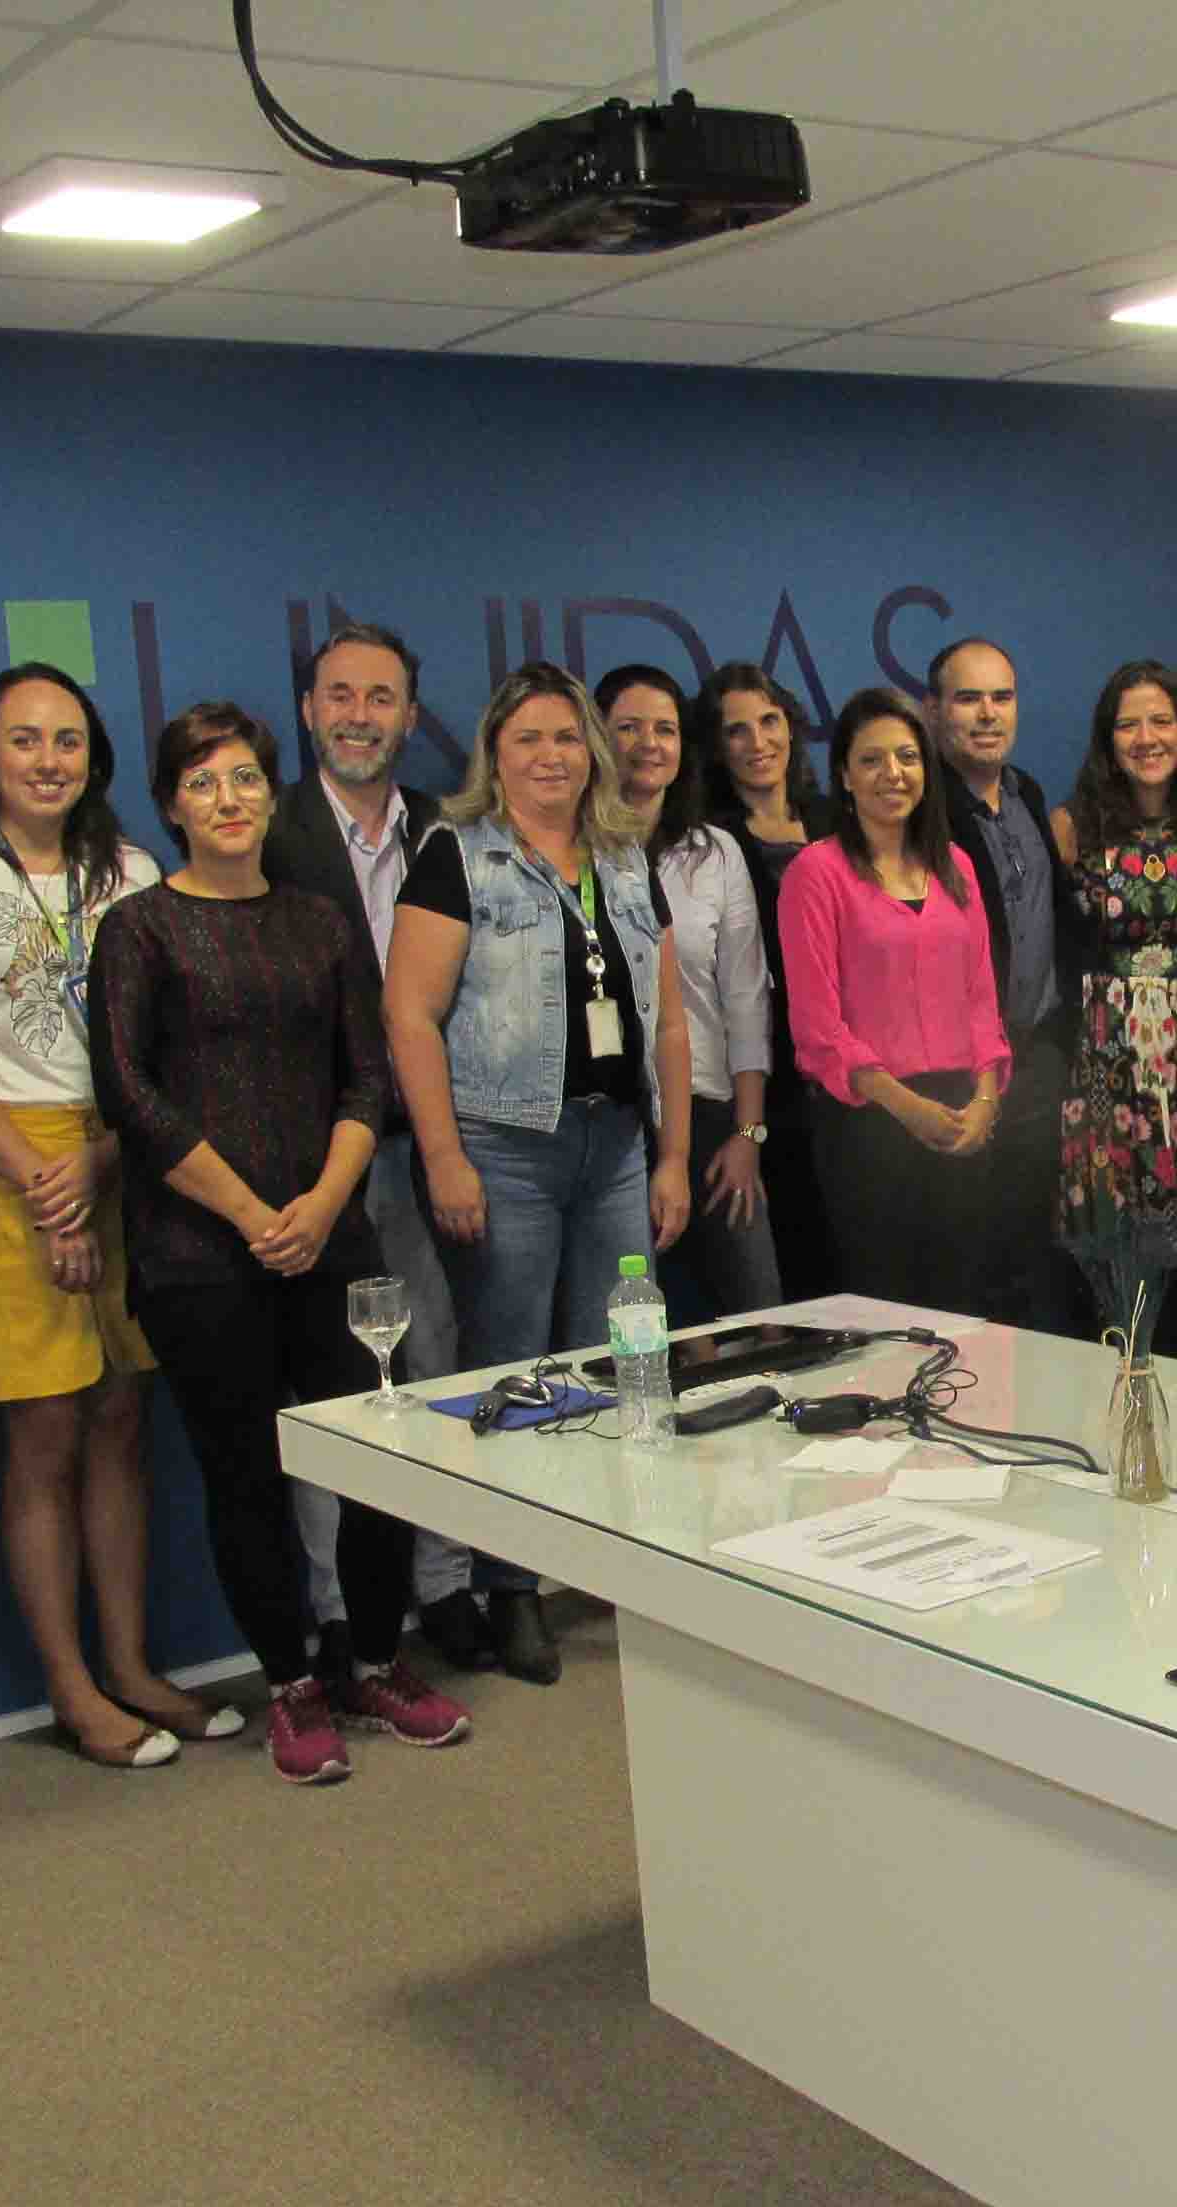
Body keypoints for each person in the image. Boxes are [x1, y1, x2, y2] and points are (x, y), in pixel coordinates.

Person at [92, 702, 463, 1783]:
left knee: (378, 1451)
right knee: (247, 1477)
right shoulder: (140, 929)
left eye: (247, 778)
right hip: (198, 1255)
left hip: (330, 1236)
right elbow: (131, 1095)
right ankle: (292, 1686)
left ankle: (375, 1663)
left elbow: (365, 1075)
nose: (229, 799)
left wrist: (321, 1203)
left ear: (270, 793)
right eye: (203, 782)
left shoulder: (319, 921)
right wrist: (255, 1217)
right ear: (171, 806)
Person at [0, 662, 220, 1767]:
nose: (47, 760)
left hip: (118, 1149)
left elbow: (163, 1048)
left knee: (124, 1415)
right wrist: (46, 1183)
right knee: (44, 1432)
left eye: (68, 740)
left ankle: (129, 1666)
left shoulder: (131, 871)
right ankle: (72, 1690)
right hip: (1, 1163)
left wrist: (102, 1160)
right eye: (24, 739)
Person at [388, 662, 692, 1685]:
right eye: (528, 739)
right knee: (514, 1369)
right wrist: (443, 1155)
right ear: (496, 754)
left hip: (617, 1148)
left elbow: (670, 1021)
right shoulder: (457, 855)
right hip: (504, 1148)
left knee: (623, 1361)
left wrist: (674, 1153)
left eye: (567, 738)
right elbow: (409, 1015)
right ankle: (509, 1587)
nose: (551, 757)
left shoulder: (625, 856)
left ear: (592, 752)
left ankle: (616, 1556)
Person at [258, 620, 487, 1671]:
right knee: (333, 1394)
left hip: (431, 1143)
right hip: (316, 1161)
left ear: (410, 714)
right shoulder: (266, 832)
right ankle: (341, 1609)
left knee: (438, 1368)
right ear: (309, 710)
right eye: (340, 695)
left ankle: (445, 1585)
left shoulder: (449, 830)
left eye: (381, 697)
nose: (360, 716)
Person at [780, 687, 1012, 1313]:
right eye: (871, 760)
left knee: (968, 1310)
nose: (893, 773)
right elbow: (818, 1027)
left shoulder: (956, 867)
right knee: (887, 1316)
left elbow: (982, 1000)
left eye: (907, 757)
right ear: (843, 776)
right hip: (869, 1123)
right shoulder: (816, 873)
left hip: (961, 1117)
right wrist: (908, 1109)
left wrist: (984, 1102)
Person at [1051, 662, 1177, 1348]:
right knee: (1116, 1251)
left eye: (1161, 721)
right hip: (1107, 1057)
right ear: (1107, 742)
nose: (1146, 738)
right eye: (1128, 724)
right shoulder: (1072, 828)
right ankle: (1127, 1391)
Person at [602, 661, 783, 1327]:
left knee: (759, 1318)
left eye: (666, 729)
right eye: (629, 727)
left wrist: (748, 1133)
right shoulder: (575, 853)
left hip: (712, 1118)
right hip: (612, 1122)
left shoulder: (716, 854)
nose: (649, 743)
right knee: (648, 1329)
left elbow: (746, 1001)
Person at [928, 636, 1074, 1331]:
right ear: (934, 711)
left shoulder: (1027, 794)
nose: (988, 714)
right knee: (968, 1261)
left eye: (1002, 697)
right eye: (968, 699)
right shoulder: (922, 808)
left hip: (1037, 1057)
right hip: (961, 1070)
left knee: (1034, 1253)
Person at [694, 661, 838, 1301]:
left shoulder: (834, 819)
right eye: (737, 730)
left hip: (845, 1076)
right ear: (715, 747)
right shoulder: (711, 841)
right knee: (793, 1270)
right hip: (764, 1085)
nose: (758, 742)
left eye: (770, 721)